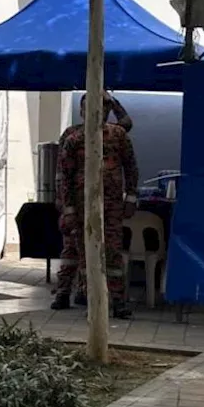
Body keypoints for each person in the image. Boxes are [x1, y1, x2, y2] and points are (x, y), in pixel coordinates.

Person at [52, 92, 139, 318]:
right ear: (81, 111)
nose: (94, 113)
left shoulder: (116, 135)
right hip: (81, 207)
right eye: (89, 108)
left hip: (111, 207)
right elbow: (64, 175)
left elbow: (131, 167)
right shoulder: (73, 137)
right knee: (78, 251)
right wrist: (66, 208)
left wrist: (131, 197)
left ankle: (118, 301)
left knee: (112, 252)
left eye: (102, 108)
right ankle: (76, 294)